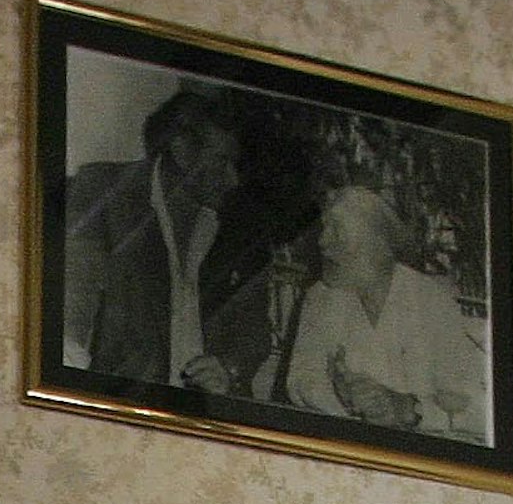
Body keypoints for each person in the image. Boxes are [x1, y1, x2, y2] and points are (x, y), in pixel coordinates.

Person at [68, 86, 267, 393]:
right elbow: (71, 314)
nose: (233, 179)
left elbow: (254, 329)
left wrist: (229, 368)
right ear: (181, 150)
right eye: (221, 161)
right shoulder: (104, 194)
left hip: (207, 413)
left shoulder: (237, 225)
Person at [275, 184, 489, 442]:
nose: (323, 242)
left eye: (336, 230)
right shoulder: (321, 297)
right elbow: (298, 381)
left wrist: (410, 409)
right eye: (324, 229)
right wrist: (341, 397)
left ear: (374, 240)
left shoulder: (430, 299)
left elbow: (476, 409)